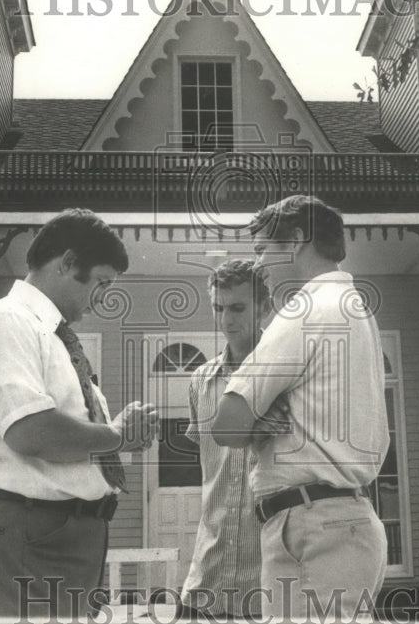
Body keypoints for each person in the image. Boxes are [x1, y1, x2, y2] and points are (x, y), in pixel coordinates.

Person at [0, 208, 158, 617]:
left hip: (63, 533)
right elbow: (31, 431)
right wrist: (118, 435)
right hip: (30, 532)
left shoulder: (55, 341)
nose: (101, 300)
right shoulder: (5, 322)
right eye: (101, 282)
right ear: (67, 262)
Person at [212, 195, 389, 621]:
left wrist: (260, 416)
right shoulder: (354, 308)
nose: (258, 266)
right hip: (340, 521)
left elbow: (227, 425)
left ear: (295, 239)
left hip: (316, 525)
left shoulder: (306, 310)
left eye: (261, 251)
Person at [179, 260, 273, 620]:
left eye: (237, 308)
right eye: (219, 308)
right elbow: (211, 470)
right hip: (208, 574)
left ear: (264, 308)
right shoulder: (200, 381)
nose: (226, 320)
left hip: (265, 576)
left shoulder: (286, 377)